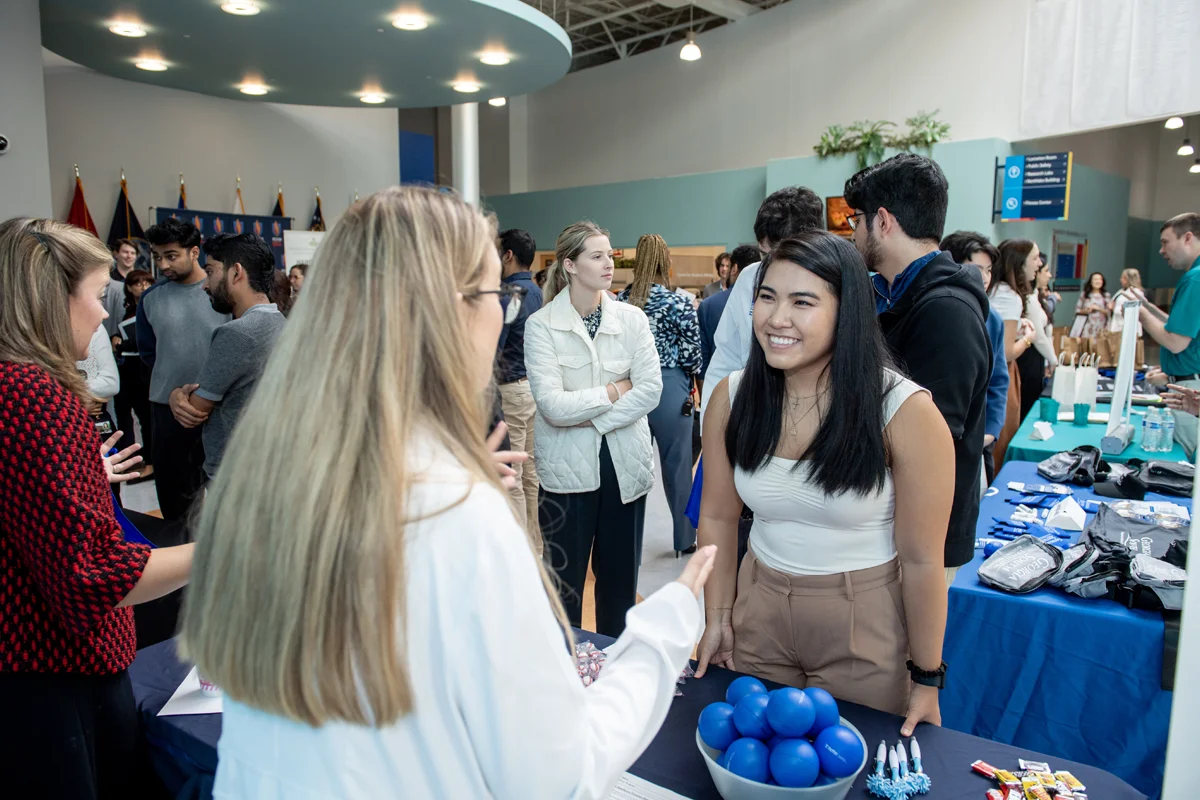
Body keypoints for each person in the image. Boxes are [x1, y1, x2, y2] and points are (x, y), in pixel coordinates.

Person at [177, 187, 715, 798]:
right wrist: (663, 630)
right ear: (451, 312)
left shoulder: (268, 472)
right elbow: (559, 775)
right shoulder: (457, 517)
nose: (504, 314)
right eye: (499, 297)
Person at [695, 231, 952, 734]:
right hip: (759, 611)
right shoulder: (732, 396)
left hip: (863, 624)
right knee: (760, 765)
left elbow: (923, 560)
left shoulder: (904, 410)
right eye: (766, 297)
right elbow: (718, 517)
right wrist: (718, 617)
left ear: (847, 310)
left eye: (802, 302)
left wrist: (926, 675)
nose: (777, 319)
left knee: (853, 772)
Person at [0, 217, 194, 799]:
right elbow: (94, 576)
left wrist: (80, 473)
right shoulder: (35, 396)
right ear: (46, 299)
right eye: (93, 293)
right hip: (52, 675)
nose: (106, 312)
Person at [844, 153, 991, 581]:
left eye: (857, 220)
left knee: (908, 648)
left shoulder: (946, 310)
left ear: (883, 222)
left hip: (921, 537)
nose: (853, 233)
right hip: (884, 522)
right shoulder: (890, 295)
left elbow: (931, 438)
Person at [524, 221, 663, 637]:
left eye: (610, 254)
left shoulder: (632, 319)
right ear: (569, 264)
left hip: (625, 469)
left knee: (620, 586)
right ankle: (565, 672)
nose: (609, 263)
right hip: (565, 474)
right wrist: (615, 391)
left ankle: (614, 672)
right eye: (597, 255)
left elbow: (651, 389)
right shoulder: (542, 326)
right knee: (564, 588)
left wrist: (588, 414)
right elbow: (551, 405)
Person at [168, 233, 287, 482]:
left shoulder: (237, 333)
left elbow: (194, 410)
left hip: (234, 474)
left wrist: (176, 395)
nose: (205, 285)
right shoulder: (283, 324)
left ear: (236, 273)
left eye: (210, 272)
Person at [702, 186, 825, 420]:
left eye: (782, 254)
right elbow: (726, 355)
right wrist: (711, 428)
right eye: (764, 254)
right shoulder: (749, 277)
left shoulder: (833, 282)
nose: (771, 265)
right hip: (756, 415)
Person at [138, 218, 230, 520]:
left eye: (171, 255)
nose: (163, 264)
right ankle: (178, 560)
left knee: (226, 494)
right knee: (175, 498)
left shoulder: (221, 294)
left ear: (194, 252)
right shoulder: (150, 299)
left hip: (220, 408)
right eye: (157, 256)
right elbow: (148, 352)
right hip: (167, 411)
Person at [617, 234, 702, 556]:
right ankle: (683, 541)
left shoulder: (622, 301)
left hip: (629, 388)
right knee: (678, 469)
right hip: (669, 389)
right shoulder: (678, 302)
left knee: (631, 469)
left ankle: (629, 543)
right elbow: (693, 354)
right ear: (666, 262)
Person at [939, 232, 1008, 484]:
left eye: (989, 270)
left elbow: (999, 380)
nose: (986, 278)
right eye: (978, 269)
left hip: (978, 438)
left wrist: (990, 431)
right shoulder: (936, 308)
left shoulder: (993, 319)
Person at [1138, 213, 1200, 458]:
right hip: (1184, 382)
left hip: (1189, 390)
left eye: (1165, 242)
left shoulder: (1195, 278)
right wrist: (1149, 308)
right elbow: (1180, 328)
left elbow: (1175, 341)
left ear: (1187, 238)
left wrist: (1140, 314)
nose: (1161, 251)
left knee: (1185, 463)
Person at [495, 228, 544, 538]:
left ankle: (521, 550)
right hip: (535, 389)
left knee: (512, 474)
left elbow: (493, 346)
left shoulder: (507, 295)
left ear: (508, 255)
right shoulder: (538, 292)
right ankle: (538, 548)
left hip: (510, 389)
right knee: (532, 476)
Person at [988, 240, 1042, 458]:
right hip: (1001, 373)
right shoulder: (1009, 296)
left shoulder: (995, 290)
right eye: (1035, 258)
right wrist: (1029, 338)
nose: (1039, 264)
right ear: (1019, 263)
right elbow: (1007, 351)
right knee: (1002, 437)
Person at [1007, 242, 1057, 422]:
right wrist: (1053, 360)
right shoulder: (1016, 297)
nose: (1039, 266)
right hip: (1026, 358)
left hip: (1033, 358)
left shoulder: (1034, 296)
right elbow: (1038, 337)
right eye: (1035, 260)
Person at [699, 244, 758, 391]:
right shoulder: (766, 304)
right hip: (758, 386)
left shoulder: (708, 306)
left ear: (734, 268)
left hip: (719, 387)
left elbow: (703, 359)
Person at [113, 269, 155, 464]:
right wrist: (117, 339)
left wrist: (123, 344)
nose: (143, 286)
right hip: (126, 369)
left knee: (145, 417)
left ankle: (150, 459)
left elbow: (148, 340)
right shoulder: (128, 310)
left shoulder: (153, 308)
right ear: (129, 287)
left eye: (146, 282)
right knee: (123, 416)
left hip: (144, 369)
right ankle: (128, 457)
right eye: (138, 283)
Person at [1075, 272, 1111, 338]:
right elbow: (1077, 310)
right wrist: (1086, 311)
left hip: (1101, 328)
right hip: (1087, 327)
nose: (1098, 281)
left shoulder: (1106, 295)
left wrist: (1099, 309)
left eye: (1100, 279)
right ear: (1090, 281)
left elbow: (1109, 312)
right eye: (1095, 279)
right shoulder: (1084, 294)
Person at [1109, 267, 1143, 336]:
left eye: (1122, 278)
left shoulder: (1136, 293)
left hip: (1127, 327)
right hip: (1117, 325)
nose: (1120, 280)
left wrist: (1114, 308)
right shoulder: (1121, 291)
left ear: (1127, 279)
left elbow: (1133, 309)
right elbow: (1112, 302)